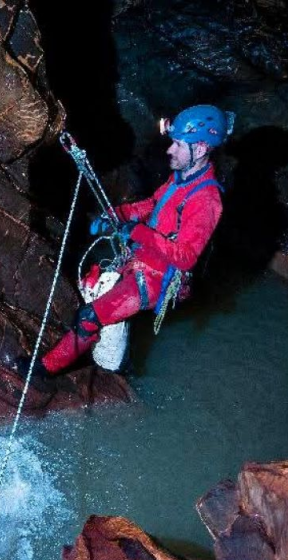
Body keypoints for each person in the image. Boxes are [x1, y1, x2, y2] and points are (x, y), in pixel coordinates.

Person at [21, 104, 234, 381]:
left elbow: (185, 257)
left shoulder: (206, 201)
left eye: (179, 145)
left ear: (202, 149)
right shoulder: (181, 178)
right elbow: (153, 204)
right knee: (94, 286)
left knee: (89, 317)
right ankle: (117, 363)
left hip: (158, 279)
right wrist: (118, 215)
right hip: (142, 259)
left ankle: (43, 371)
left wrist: (137, 232)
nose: (170, 150)